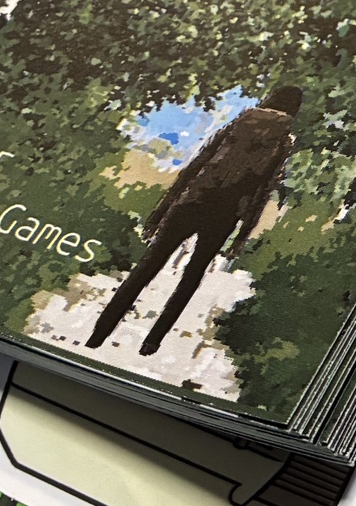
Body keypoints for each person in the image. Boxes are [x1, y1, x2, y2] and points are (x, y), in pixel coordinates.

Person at [86, 86, 301, 355]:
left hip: (191, 201)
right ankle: (152, 342)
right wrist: (242, 235)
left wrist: (158, 214)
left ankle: (99, 334)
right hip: (225, 214)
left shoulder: (238, 123)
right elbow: (263, 191)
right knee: (191, 277)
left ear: (269, 98)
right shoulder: (283, 141)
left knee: (146, 267)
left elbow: (195, 166)